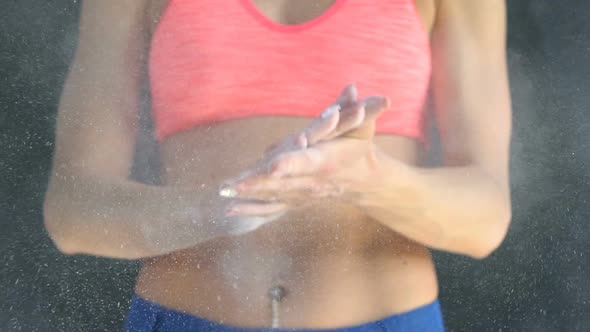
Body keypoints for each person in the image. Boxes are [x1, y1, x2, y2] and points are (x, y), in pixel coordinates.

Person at [43, 0, 512, 331]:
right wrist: (220, 208)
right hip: (183, 319)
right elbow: (74, 209)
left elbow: (485, 217)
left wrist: (369, 179)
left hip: (387, 319)